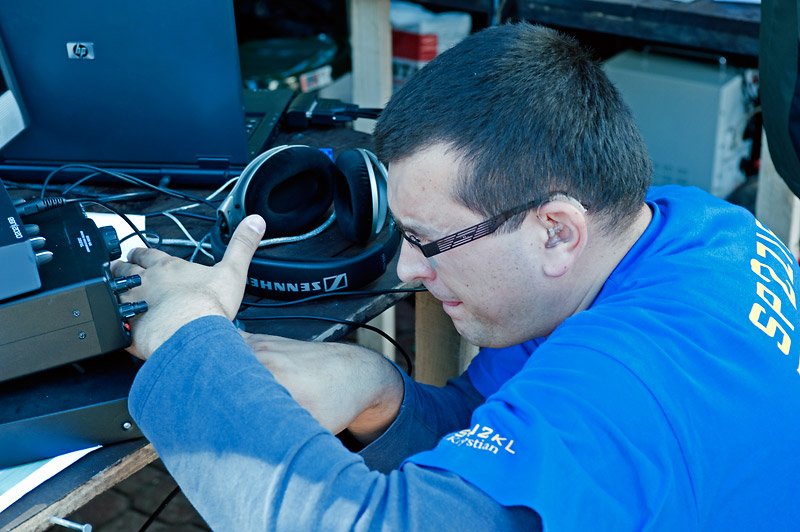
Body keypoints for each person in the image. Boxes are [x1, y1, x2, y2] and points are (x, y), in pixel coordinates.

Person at [112, 22, 800, 530]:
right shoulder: (692, 227)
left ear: (556, 231)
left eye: (428, 241)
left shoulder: (628, 381)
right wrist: (381, 394)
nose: (410, 270)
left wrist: (186, 334)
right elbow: (505, 423)